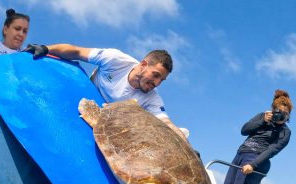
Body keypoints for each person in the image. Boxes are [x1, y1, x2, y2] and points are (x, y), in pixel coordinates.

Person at [23, 43, 187, 140]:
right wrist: (45, 48)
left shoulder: (152, 99)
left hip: (105, 127)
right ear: (143, 64)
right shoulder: (115, 60)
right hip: (83, 104)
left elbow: (167, 123)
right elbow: (77, 52)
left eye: (161, 80)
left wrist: (187, 148)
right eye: (156, 75)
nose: (157, 83)